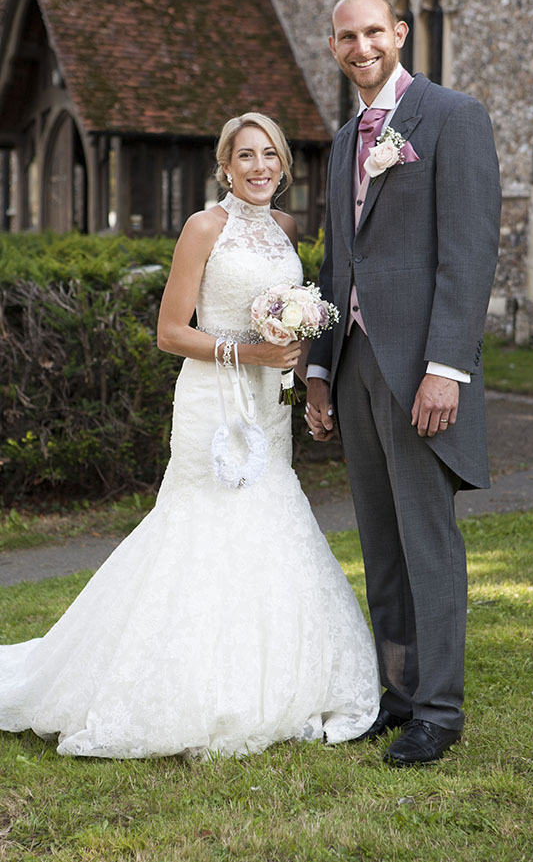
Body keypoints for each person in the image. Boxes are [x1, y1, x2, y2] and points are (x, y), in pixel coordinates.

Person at [0, 112, 380, 759]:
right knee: (202, 521)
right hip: (213, 397)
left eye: (271, 156)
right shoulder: (204, 227)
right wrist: (247, 353)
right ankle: (188, 684)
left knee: (270, 513)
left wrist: (289, 350)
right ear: (225, 166)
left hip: (268, 402)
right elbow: (170, 331)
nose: (260, 168)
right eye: (246, 156)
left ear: (284, 167)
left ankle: (282, 677)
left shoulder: (287, 229)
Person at [306, 0, 501, 766]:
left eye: (374, 32)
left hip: (420, 368)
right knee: (381, 543)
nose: (362, 46)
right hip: (354, 366)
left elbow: (469, 252)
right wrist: (318, 369)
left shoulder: (453, 117)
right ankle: (398, 691)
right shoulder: (345, 135)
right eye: (347, 36)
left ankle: (441, 710)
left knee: (427, 541)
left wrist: (445, 368)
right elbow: (336, 261)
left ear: (401, 33)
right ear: (334, 47)